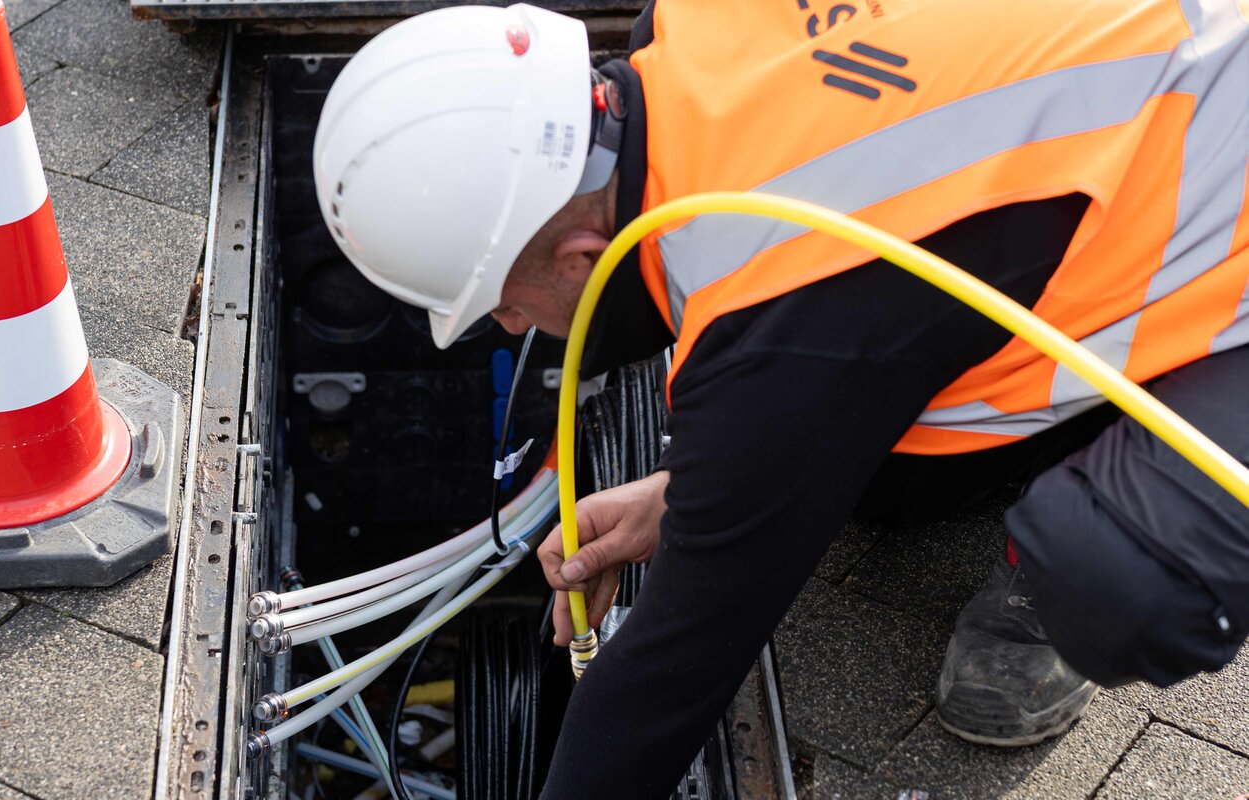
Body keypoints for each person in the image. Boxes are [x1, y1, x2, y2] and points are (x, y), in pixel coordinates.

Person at [312, 0, 1249, 795]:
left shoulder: (791, 310)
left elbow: (673, 671)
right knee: (875, 472)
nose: (515, 332)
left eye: (508, 308)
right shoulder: (694, 32)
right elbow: (814, 385)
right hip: (1145, 76)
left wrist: (725, 494)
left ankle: (1084, 531)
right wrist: (689, 495)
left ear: (577, 261)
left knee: (1124, 576)